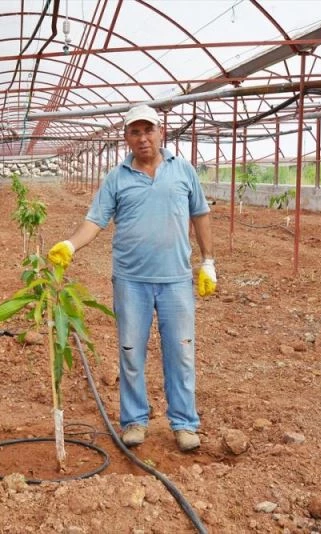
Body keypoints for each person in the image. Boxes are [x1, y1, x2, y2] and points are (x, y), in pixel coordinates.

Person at [48, 104, 216, 452]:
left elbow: (200, 214)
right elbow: (95, 221)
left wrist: (208, 261)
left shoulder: (183, 170)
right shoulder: (117, 177)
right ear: (126, 138)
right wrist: (71, 244)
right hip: (131, 280)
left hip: (176, 280)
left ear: (161, 131)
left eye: (148, 130)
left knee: (181, 351)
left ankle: (184, 423)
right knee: (130, 352)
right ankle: (135, 421)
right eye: (134, 132)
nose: (142, 138)